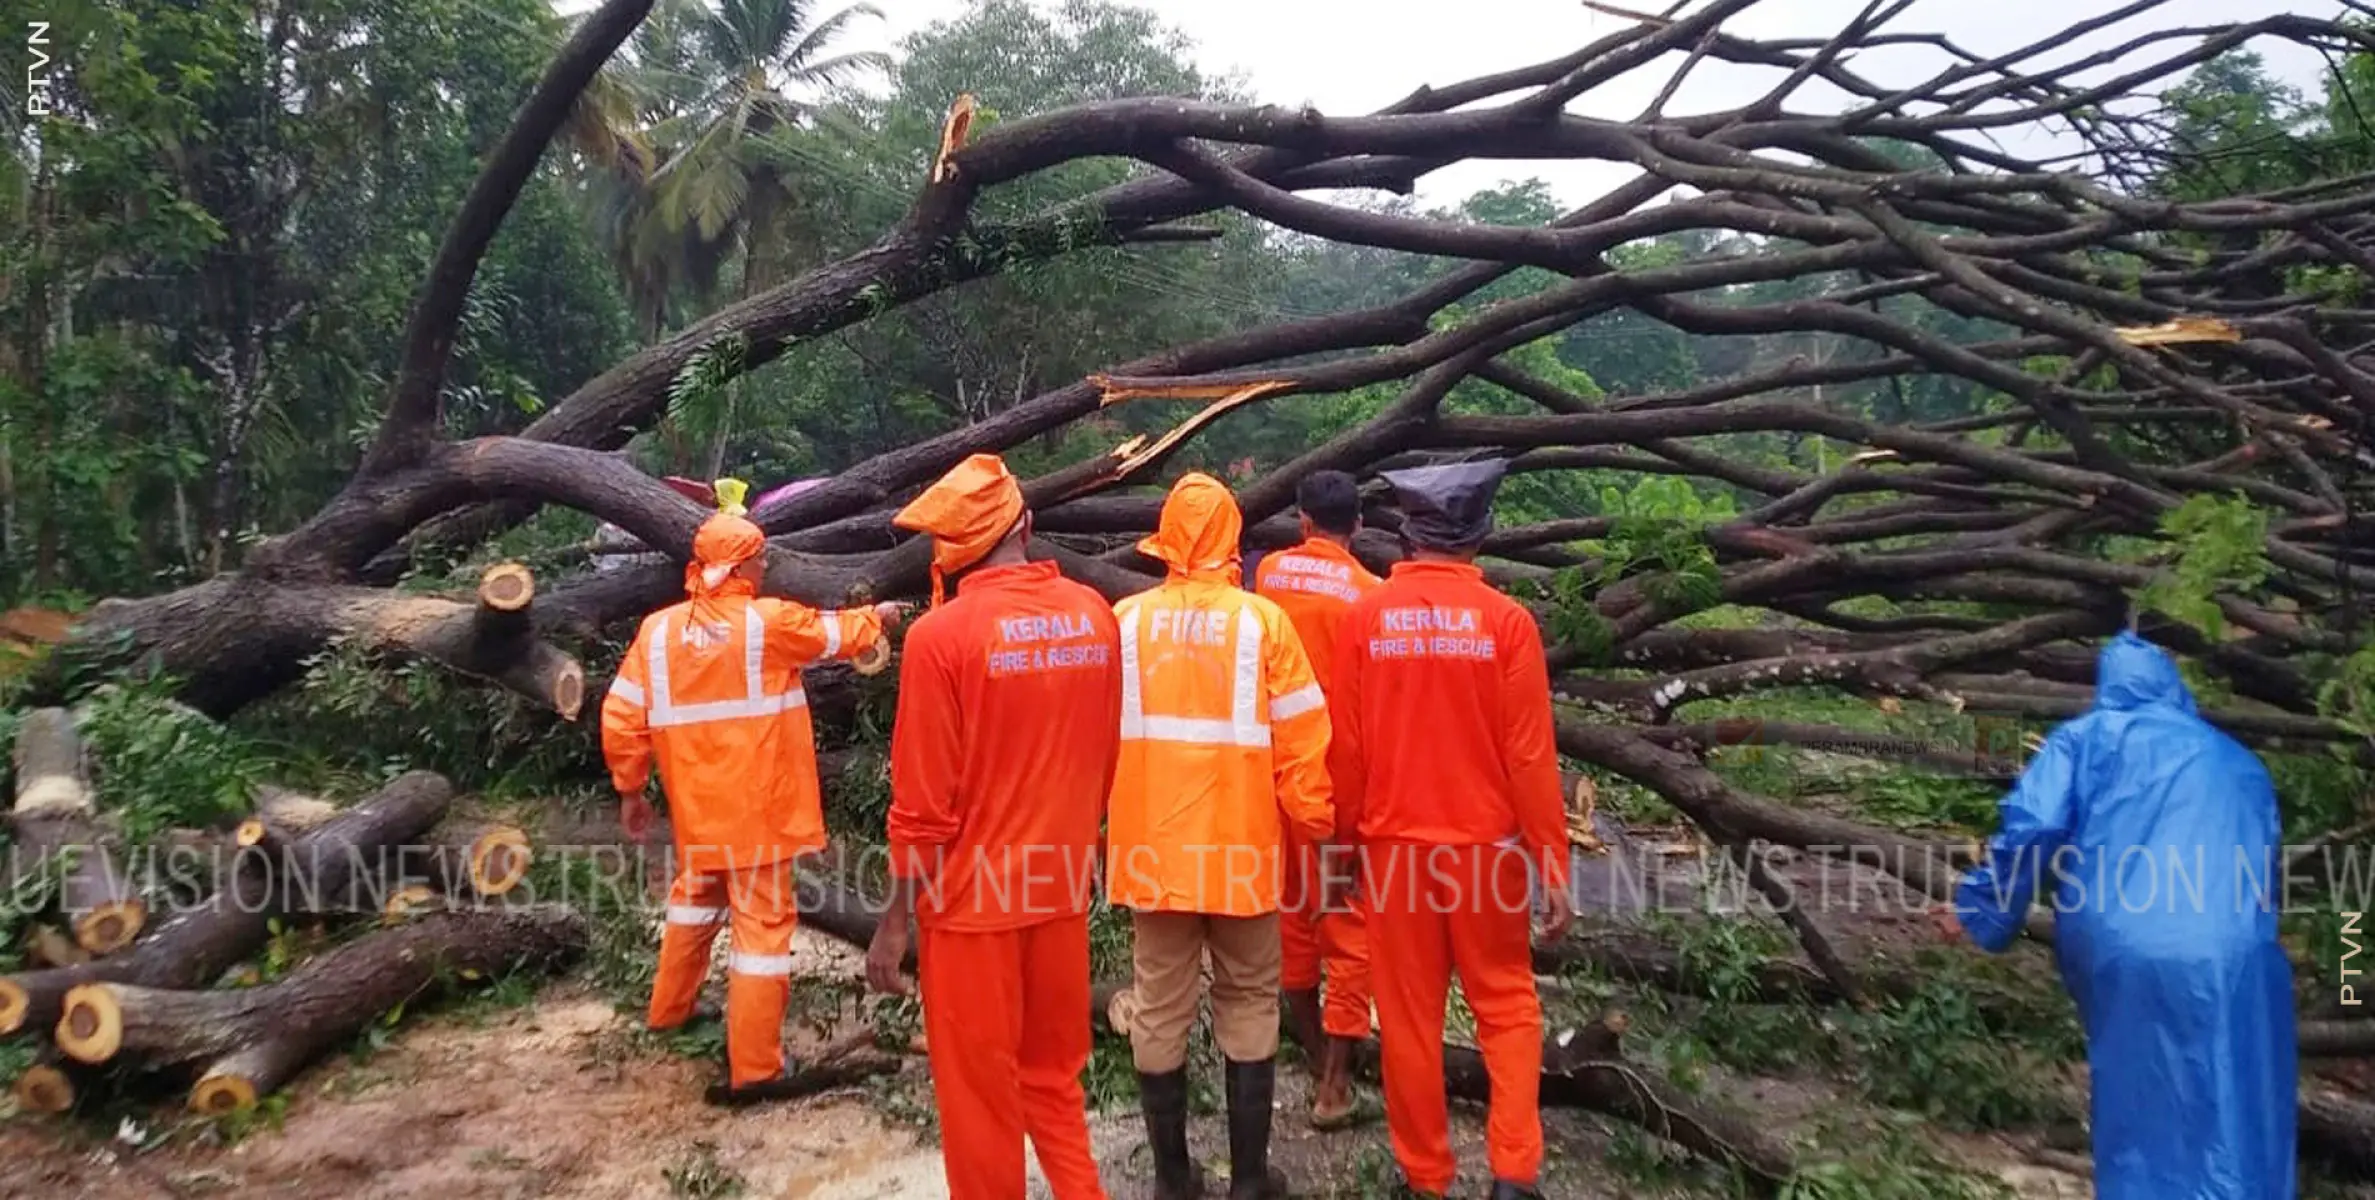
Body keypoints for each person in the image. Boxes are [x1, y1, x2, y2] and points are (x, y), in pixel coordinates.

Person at [1944, 630, 2296, 1200]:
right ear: (2175, 687)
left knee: (2142, 1092)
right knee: (2238, 1092)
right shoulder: (2240, 763)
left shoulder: (2085, 740)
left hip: (2126, 937)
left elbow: (2032, 828)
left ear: (2106, 685)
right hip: (2236, 951)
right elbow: (2262, 866)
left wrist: (1982, 911)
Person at [863, 454, 1120, 1200]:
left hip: (971, 910)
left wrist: (893, 920)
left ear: (949, 552)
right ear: (1027, 527)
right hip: (1060, 892)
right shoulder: (1094, 615)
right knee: (1054, 1083)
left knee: (979, 1102)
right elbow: (1105, 753)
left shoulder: (941, 638)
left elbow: (922, 805)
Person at [600, 497, 908, 1104]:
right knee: (762, 934)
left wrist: (632, 790)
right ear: (742, 569)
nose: (767, 569)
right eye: (762, 560)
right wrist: (885, 617)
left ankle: (669, 1012)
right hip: (760, 812)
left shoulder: (657, 633)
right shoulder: (765, 623)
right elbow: (837, 634)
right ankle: (758, 1068)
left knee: (694, 900)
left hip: (698, 812)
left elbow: (620, 717)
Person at [1328, 459, 1574, 1200]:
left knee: (1407, 1020)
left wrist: (1342, 854)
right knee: (1505, 1005)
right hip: (1487, 856)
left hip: (1394, 852)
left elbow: (1347, 752)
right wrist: (1552, 867)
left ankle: (1426, 1179)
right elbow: (1529, 756)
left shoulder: (1364, 620)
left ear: (1406, 533)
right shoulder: (1507, 624)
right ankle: (1512, 1174)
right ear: (1481, 535)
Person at [1107, 472, 1335, 1200]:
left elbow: (1090, 738)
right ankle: (1247, 1182)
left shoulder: (1125, 621)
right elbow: (1304, 742)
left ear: (1166, 537)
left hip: (1151, 852)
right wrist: (1316, 832)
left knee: (1160, 1004)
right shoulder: (1261, 623)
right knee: (1246, 1000)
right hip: (1240, 850)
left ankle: (1173, 1181)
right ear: (1233, 538)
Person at [1251, 469, 1381, 1129]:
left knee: (1292, 918)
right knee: (1348, 931)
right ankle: (1333, 1087)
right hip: (1337, 790)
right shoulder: (1371, 596)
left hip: (1273, 780)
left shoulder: (1269, 573)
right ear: (1357, 525)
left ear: (1302, 521)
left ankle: (1308, 1051)